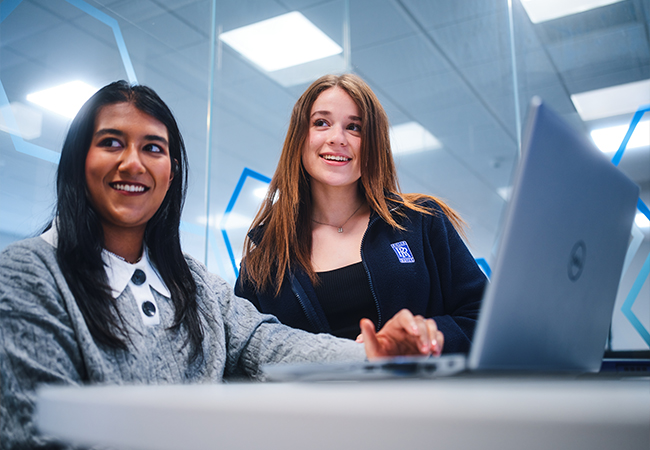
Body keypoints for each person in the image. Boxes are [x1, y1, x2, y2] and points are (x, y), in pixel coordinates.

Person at [0, 81, 440, 449]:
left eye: (153, 148)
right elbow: (40, 433)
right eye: (111, 142)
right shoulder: (27, 275)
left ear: (171, 172)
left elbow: (268, 342)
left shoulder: (193, 283)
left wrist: (369, 354)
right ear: (79, 160)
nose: (132, 162)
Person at [236, 74, 487, 354]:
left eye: (354, 127)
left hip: (419, 395)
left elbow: (483, 317)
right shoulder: (263, 262)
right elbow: (244, 355)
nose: (337, 138)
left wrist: (428, 337)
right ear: (299, 138)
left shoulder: (421, 223)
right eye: (321, 123)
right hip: (313, 400)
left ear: (373, 144)